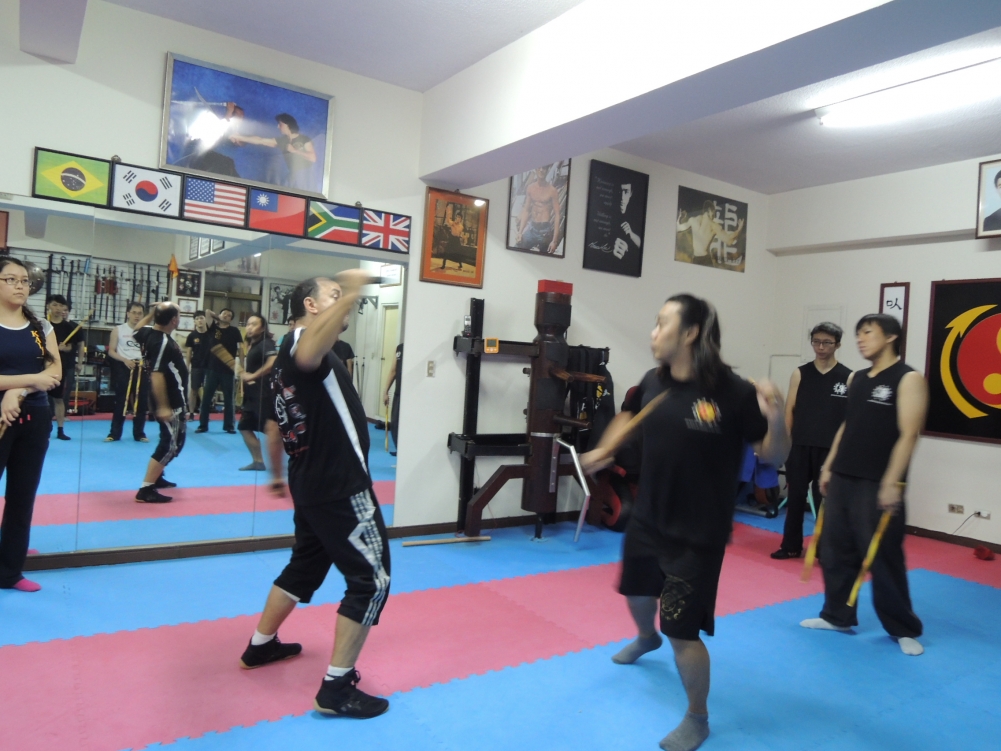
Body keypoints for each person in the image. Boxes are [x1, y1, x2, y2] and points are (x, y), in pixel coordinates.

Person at [580, 294, 788, 751]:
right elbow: (628, 416)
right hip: (648, 518)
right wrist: (606, 449)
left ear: (691, 333)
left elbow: (773, 455)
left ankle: (698, 717)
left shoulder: (734, 393)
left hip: (698, 534)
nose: (653, 333)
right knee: (635, 593)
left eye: (662, 324)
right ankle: (645, 637)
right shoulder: (653, 381)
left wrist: (775, 415)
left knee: (682, 631)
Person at [240, 270, 391, 719]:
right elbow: (309, 351)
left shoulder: (285, 355)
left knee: (305, 566)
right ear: (310, 304)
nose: (344, 302)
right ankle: (336, 689)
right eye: (333, 295)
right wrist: (355, 288)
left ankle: (261, 645)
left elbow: (275, 425)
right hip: (341, 487)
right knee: (372, 581)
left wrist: (277, 474)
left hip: (310, 482)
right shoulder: (303, 344)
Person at [801, 314, 927, 657]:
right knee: (835, 550)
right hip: (844, 476)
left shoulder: (908, 378)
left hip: (878, 481)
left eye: (868, 333)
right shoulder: (856, 378)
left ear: (891, 337)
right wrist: (829, 466)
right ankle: (837, 616)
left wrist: (892, 481)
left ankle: (902, 628)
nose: (860, 339)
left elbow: (909, 434)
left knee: (883, 555)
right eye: (858, 334)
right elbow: (848, 425)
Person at [0, 257, 61, 592]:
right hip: (1, 418)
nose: (20, 286)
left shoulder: (40, 327)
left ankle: (10, 571)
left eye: (24, 280)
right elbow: (40, 376)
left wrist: (18, 390)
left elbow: (54, 373)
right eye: (11, 279)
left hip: (34, 418)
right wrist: (26, 381)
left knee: (22, 497)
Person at [771, 323, 852, 559]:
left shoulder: (848, 377)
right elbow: (789, 410)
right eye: (816, 341)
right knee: (795, 497)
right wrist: (785, 443)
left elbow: (850, 418)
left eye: (827, 342)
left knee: (824, 500)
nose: (821, 347)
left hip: (829, 449)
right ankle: (791, 545)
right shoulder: (800, 373)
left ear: (837, 344)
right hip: (799, 445)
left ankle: (825, 550)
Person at [133, 303, 189, 504]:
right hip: (169, 398)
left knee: (171, 439)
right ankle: (146, 489)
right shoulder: (162, 341)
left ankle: (157, 476)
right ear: (174, 320)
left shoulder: (148, 332)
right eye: (178, 315)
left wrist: (151, 313)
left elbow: (136, 329)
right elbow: (157, 374)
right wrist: (164, 406)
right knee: (172, 443)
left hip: (166, 395)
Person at [231, 113, 316, 190]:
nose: (278, 127)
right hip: (292, 175)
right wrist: (240, 137)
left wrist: (295, 151)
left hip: (305, 175)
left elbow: (313, 158)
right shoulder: (282, 140)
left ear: (287, 124)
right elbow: (260, 140)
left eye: (280, 124)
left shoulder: (304, 139)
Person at [238, 314, 277, 472]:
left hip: (264, 394)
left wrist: (253, 376)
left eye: (254, 324)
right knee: (244, 427)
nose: (249, 327)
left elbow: (273, 362)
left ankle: (303, 456)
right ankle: (258, 461)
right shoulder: (253, 345)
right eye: (248, 324)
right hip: (253, 394)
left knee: (272, 429)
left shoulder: (266, 343)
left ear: (262, 328)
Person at [106, 301, 149, 442]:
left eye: (140, 313)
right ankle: (114, 433)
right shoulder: (118, 330)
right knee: (121, 401)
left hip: (141, 368)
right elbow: (111, 351)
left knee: (141, 401)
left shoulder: (147, 331)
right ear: (128, 314)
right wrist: (124, 360)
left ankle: (139, 433)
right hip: (124, 367)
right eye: (134, 313)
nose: (137, 316)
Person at [196, 308, 243, 434]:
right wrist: (219, 318)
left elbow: (240, 349)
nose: (226, 316)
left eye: (229, 315)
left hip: (228, 369)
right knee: (206, 398)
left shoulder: (234, 331)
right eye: (224, 314)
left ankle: (229, 426)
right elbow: (207, 312)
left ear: (231, 319)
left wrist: (242, 366)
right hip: (212, 368)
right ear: (220, 315)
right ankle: (203, 425)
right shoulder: (213, 328)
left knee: (229, 399)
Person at [45, 295, 85, 441]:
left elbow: (72, 347)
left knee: (58, 398)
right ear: (48, 306)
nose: (58, 308)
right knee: (42, 399)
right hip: (42, 368)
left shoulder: (69, 327)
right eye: (55, 305)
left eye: (61, 306)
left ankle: (60, 429)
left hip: (60, 367)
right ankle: (42, 428)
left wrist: (64, 348)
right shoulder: (42, 325)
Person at [677, 200, 744, 267]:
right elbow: (729, 240)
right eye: (714, 213)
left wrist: (679, 219)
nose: (714, 216)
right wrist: (739, 229)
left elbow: (678, 228)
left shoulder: (693, 220)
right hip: (706, 260)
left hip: (695, 259)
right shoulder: (714, 226)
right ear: (709, 210)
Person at [515, 166, 563, 254]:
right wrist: (520, 232)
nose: (541, 170)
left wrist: (554, 241)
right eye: (539, 168)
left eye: (544, 168)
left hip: (545, 232)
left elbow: (557, 215)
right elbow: (526, 210)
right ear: (536, 169)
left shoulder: (552, 191)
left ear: (547, 170)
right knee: (517, 248)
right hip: (532, 229)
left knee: (546, 258)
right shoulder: (530, 188)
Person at [183, 310, 211, 419]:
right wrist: (187, 366)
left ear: (205, 320)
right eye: (197, 319)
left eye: (202, 318)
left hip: (209, 367)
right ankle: (191, 413)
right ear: (194, 321)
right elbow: (189, 352)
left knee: (207, 391)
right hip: (196, 366)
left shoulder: (211, 334)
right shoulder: (192, 336)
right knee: (194, 390)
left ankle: (205, 414)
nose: (200, 320)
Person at [382, 342, 402, 454]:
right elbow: (393, 371)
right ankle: (400, 449)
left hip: (410, 395)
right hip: (398, 393)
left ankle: (403, 451)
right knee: (394, 424)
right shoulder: (400, 348)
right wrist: (386, 391)